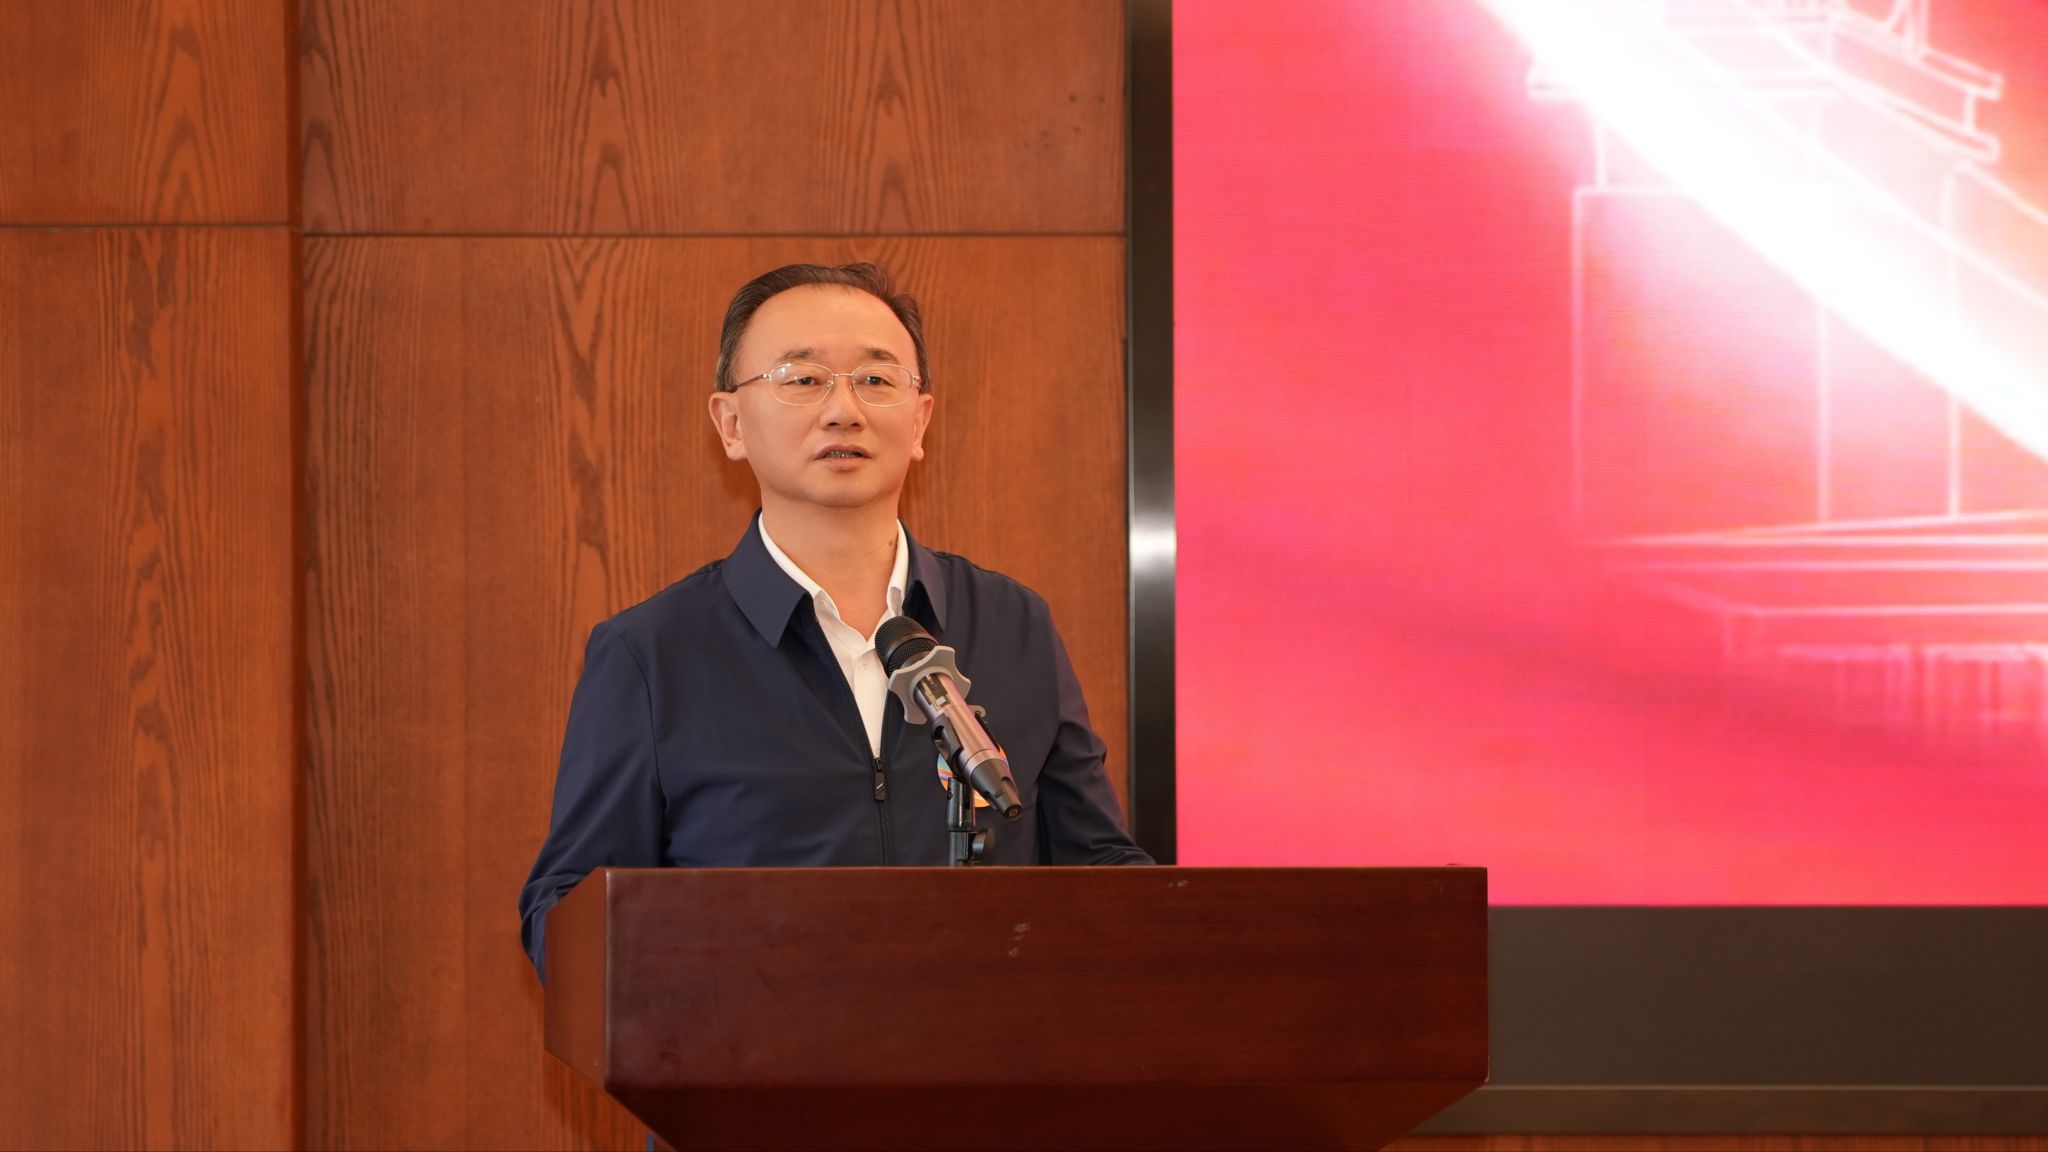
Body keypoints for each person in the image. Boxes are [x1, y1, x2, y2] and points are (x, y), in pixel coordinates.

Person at [518, 262, 1151, 979]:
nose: (844, 410)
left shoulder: (1013, 624)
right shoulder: (651, 654)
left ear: (921, 421)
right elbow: (568, 916)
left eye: (876, 379)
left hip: (983, 1044)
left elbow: (1099, 867)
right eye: (803, 378)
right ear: (731, 424)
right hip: (752, 1044)